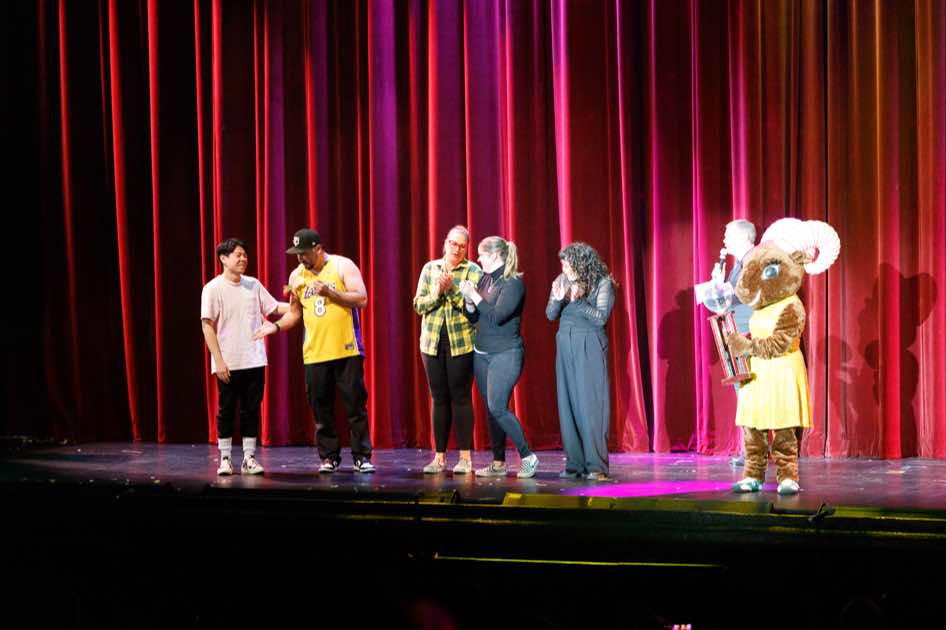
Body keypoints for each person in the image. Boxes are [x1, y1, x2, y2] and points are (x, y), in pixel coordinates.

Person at [255, 229, 375, 474]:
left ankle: (361, 457)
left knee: (355, 406)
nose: (300, 258)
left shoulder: (342, 265)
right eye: (297, 254)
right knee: (321, 409)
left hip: (347, 349)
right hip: (315, 353)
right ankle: (329, 457)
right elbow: (295, 314)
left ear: (318, 249)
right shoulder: (296, 276)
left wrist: (331, 292)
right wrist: (275, 327)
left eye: (304, 253)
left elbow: (362, 299)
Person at [201, 238, 289, 476]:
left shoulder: (253, 285)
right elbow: (207, 325)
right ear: (223, 258)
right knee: (226, 411)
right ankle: (225, 459)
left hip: (254, 360)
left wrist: (299, 303)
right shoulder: (213, 288)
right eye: (238, 255)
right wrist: (218, 360)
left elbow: (274, 307)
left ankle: (249, 458)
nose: (243, 259)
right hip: (228, 362)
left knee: (252, 410)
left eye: (245, 255)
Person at [458, 236, 539, 479]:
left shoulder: (513, 283)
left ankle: (528, 457)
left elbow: (497, 316)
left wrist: (475, 296)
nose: (478, 258)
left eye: (481, 254)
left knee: (497, 406)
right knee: (491, 410)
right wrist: (469, 303)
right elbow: (476, 318)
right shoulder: (485, 279)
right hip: (481, 353)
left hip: (506, 353)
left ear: (494, 256)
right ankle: (498, 463)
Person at [413, 226, 483, 474]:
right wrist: (437, 292)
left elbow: (473, 309)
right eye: (453, 243)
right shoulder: (430, 269)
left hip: (461, 342)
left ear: (467, 249)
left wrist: (451, 290)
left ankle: (465, 458)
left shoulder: (473, 271)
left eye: (462, 246)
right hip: (431, 342)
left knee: (461, 397)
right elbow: (418, 304)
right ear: (445, 243)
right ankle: (439, 458)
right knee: (439, 397)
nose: (457, 249)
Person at [546, 242, 616, 481]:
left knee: (591, 406)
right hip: (565, 345)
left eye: (567, 264)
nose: (564, 269)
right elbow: (550, 315)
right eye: (563, 265)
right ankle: (575, 465)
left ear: (581, 264)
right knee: (567, 405)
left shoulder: (602, 283)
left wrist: (577, 301)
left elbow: (601, 317)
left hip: (589, 345)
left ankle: (596, 466)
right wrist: (557, 299)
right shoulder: (561, 281)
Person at [703, 219, 756, 466]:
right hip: (736, 330)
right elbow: (728, 299)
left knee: (749, 390)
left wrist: (722, 287)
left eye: (728, 235)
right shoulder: (738, 264)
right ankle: (751, 449)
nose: (724, 240)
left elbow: (745, 296)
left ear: (744, 237)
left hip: (748, 332)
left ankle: (754, 451)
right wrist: (719, 283)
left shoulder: (754, 260)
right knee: (743, 390)